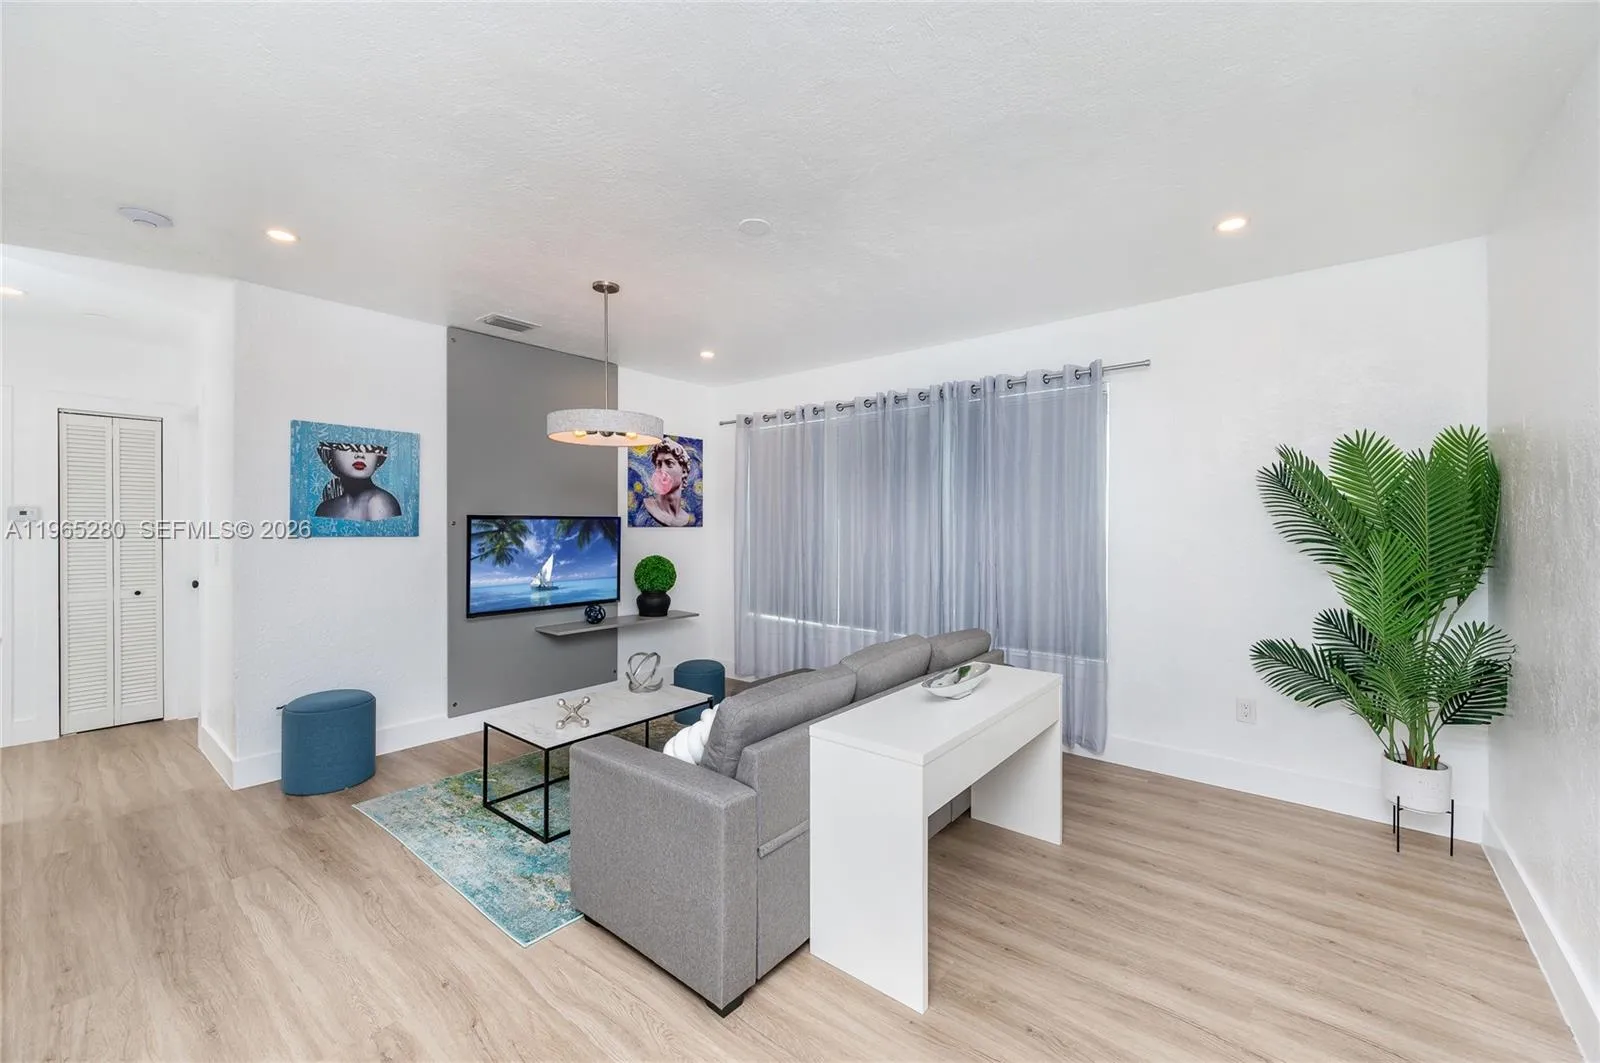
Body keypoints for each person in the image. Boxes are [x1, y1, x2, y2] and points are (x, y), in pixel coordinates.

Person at [314, 440, 402, 520]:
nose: (360, 455)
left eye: (370, 448)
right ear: (330, 454)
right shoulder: (323, 508)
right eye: (347, 446)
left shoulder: (379, 502)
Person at [641, 438, 695, 527]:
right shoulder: (647, 506)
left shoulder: (686, 518)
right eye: (658, 464)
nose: (662, 470)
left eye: (669, 463)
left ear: (684, 471)